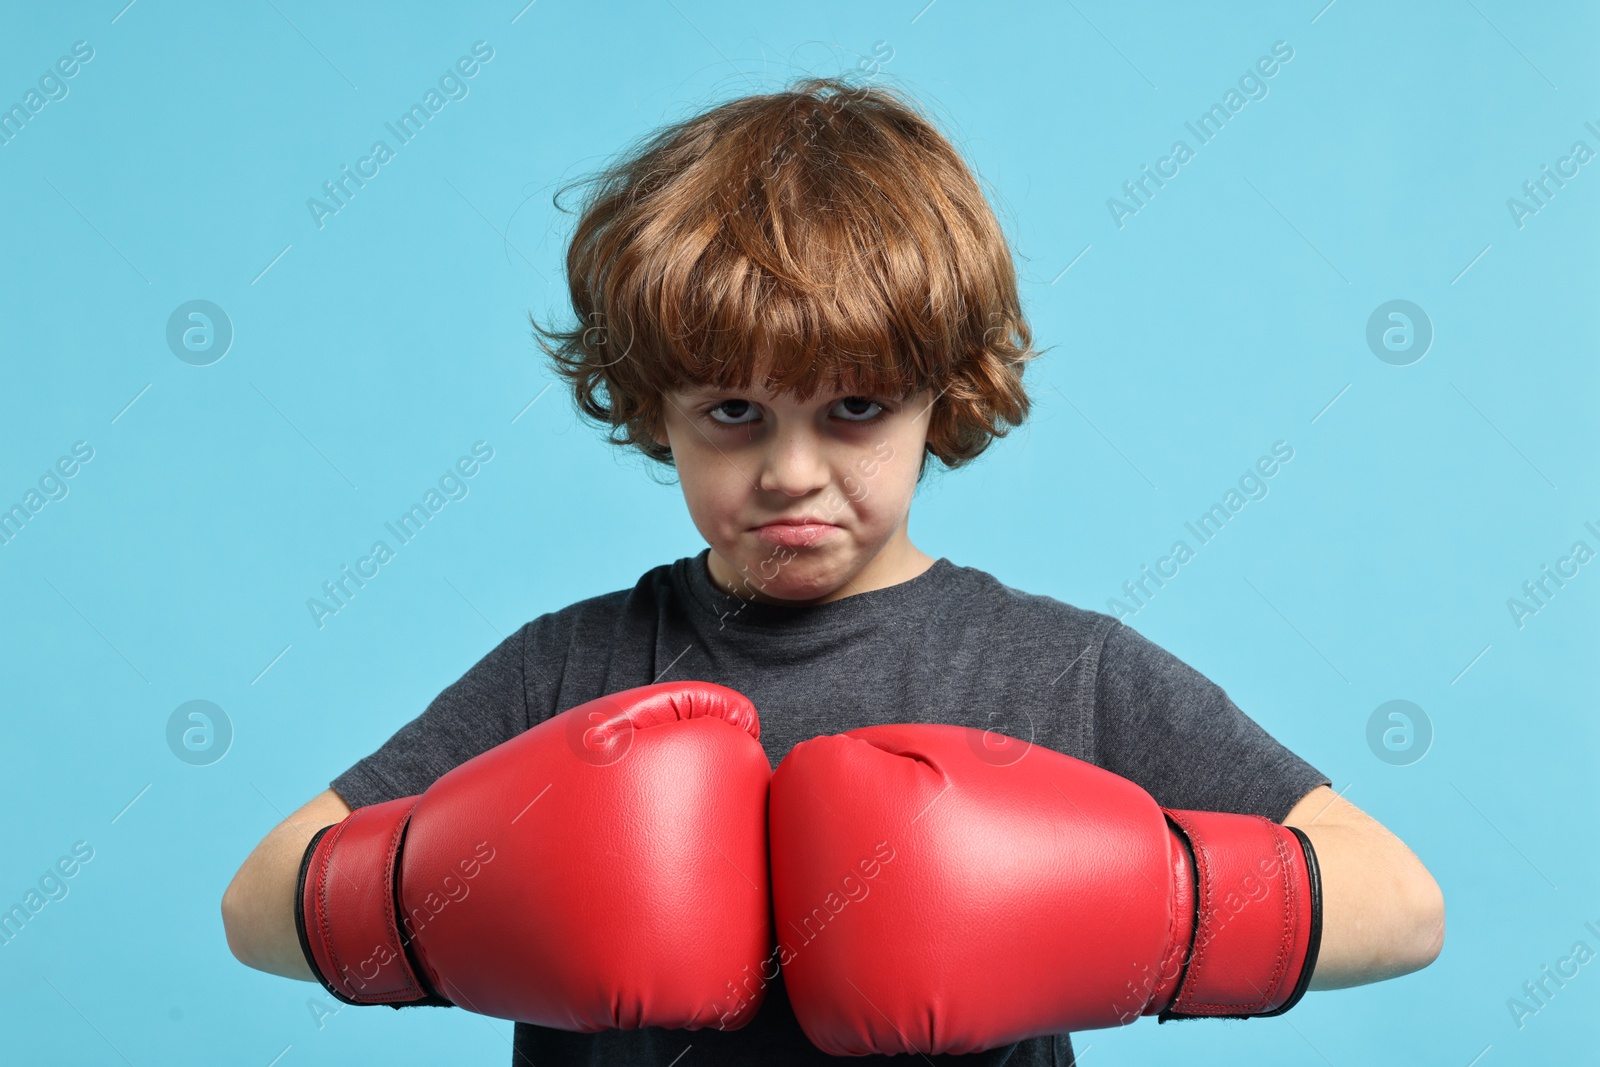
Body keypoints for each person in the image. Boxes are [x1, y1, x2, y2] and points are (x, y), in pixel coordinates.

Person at [221, 75, 1444, 1065]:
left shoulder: (1055, 669)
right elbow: (259, 901)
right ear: (655, 410)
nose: (791, 471)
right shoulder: (570, 667)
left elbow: (1399, 901)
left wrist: (1153, 915)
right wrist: (446, 907)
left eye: (854, 406)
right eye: (734, 411)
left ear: (941, 398)